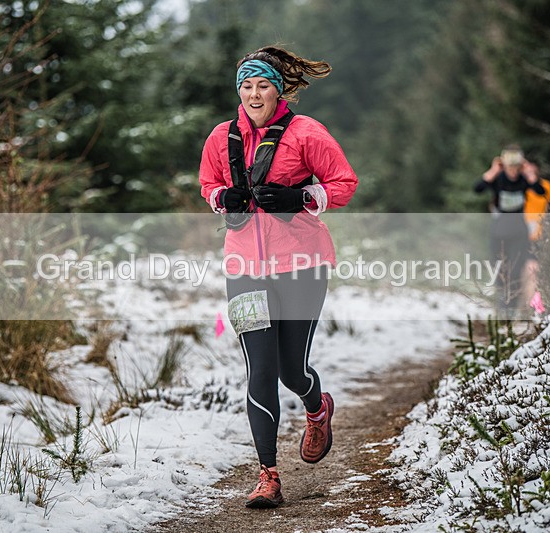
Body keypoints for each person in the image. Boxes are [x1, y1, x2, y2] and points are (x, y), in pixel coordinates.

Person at [198, 46, 358, 508]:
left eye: (262, 85)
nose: (253, 94)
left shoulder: (307, 133)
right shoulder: (220, 137)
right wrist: (220, 199)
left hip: (302, 266)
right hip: (244, 268)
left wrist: (302, 199)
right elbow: (208, 183)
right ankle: (268, 474)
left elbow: (344, 183)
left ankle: (316, 406)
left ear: (278, 89)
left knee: (291, 369)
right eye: (245, 86)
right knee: (260, 370)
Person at [475, 145, 545, 317]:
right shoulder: (498, 179)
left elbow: (540, 191)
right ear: (504, 165)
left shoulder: (523, 180)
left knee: (515, 271)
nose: (513, 171)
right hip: (499, 232)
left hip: (519, 233)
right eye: (509, 166)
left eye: (516, 166)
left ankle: (513, 309)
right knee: (499, 270)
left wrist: (530, 175)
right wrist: (492, 171)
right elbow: (478, 188)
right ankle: (503, 306)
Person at [522, 164, 550, 309]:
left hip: (543, 234)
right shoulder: (521, 187)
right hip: (523, 235)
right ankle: (529, 305)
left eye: (531, 170)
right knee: (526, 272)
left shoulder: (545, 186)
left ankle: (536, 306)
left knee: (536, 271)